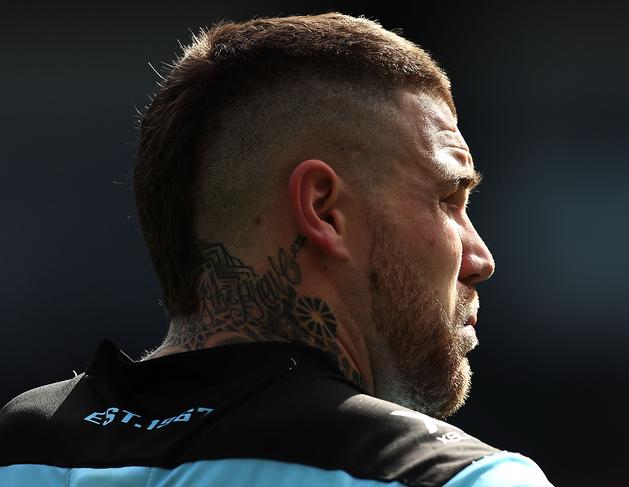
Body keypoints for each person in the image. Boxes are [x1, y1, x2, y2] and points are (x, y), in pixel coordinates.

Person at [0, 12, 553, 486]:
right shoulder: (454, 476)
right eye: (448, 199)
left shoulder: (20, 450)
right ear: (323, 209)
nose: (481, 259)